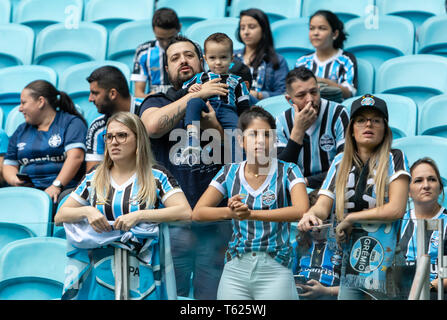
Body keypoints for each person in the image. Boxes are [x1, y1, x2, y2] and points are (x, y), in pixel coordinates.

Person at [55, 112, 191, 300]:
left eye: (122, 135)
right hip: (101, 268)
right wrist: (88, 211)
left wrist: (139, 215)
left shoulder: (156, 175)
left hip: (143, 267)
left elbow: (184, 211)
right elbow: (60, 215)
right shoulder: (95, 176)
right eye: (109, 136)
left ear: (139, 140)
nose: (114, 142)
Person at [139, 35, 233, 300]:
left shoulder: (226, 98)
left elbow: (241, 158)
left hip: (215, 222)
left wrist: (214, 128)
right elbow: (153, 127)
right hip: (172, 222)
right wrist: (197, 94)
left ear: (202, 61)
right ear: (167, 69)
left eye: (189, 55)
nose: (183, 61)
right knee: (171, 295)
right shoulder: (156, 101)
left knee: (211, 299)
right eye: (175, 58)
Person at [298, 94, 411, 300]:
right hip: (349, 259)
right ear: (351, 129)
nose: (368, 124)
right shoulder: (340, 161)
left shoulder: (395, 157)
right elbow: (323, 205)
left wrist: (351, 218)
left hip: (385, 261)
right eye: (361, 120)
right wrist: (310, 214)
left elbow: (396, 208)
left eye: (376, 120)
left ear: (385, 128)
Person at [193, 106, 309, 300]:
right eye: (254, 134)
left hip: (275, 266)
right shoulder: (229, 172)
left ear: (275, 139)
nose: (261, 141)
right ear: (241, 140)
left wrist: (251, 214)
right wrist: (231, 213)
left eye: (266, 135)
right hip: (235, 269)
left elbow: (301, 210)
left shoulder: (289, 170)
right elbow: (198, 213)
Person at [3, 80, 87, 204]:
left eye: (23, 103)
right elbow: (9, 164)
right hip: (29, 191)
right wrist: (15, 181)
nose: (20, 109)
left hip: (64, 190)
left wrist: (56, 185)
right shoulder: (21, 130)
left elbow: (76, 157)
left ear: (41, 102)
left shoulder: (71, 123)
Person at [276, 67, 349, 189]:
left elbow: (346, 165)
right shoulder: (282, 121)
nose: (310, 99)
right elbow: (280, 171)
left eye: (314, 92)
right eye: (301, 95)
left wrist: (306, 182)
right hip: (296, 190)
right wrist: (298, 131)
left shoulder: (338, 113)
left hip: (333, 187)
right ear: (290, 100)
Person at [181, 32, 250, 160]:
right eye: (212, 58)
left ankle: (239, 163)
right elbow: (182, 91)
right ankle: (192, 141)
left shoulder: (237, 80)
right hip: (205, 106)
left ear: (232, 58)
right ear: (205, 59)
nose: (218, 62)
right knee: (193, 102)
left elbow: (244, 107)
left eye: (223, 57)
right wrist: (191, 89)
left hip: (228, 110)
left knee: (237, 131)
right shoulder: (200, 77)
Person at [398, 157, 447, 299]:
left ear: (440, 188)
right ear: (408, 191)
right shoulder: (398, 222)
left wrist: (429, 286)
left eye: (432, 179)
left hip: (437, 293)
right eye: (418, 180)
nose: (426, 185)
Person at [85, 65, 143, 172]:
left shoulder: (147, 112)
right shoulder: (97, 127)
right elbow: (93, 176)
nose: (90, 99)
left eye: (95, 93)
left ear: (112, 94)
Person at [296, 10, 357, 101]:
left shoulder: (346, 60)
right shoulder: (302, 62)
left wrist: (322, 82)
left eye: (322, 28)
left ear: (335, 34)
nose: (315, 33)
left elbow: (349, 93)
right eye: (312, 28)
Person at [292, 190, 341, 300]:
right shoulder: (298, 245)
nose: (314, 228)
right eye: (309, 223)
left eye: (319, 223)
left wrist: (327, 291)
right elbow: (287, 277)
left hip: (331, 293)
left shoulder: (342, 245)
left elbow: (353, 288)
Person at [234, 8, 289, 102]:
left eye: (251, 27)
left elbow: (282, 92)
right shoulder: (231, 57)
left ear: (263, 30)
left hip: (262, 108)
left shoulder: (278, 60)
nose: (246, 32)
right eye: (242, 28)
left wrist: (259, 95)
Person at [131, 8, 181, 97]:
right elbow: (138, 94)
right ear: (154, 30)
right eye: (160, 38)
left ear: (179, 28)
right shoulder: (143, 52)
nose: (165, 44)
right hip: (155, 105)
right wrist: (153, 98)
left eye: (170, 38)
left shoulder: (191, 50)